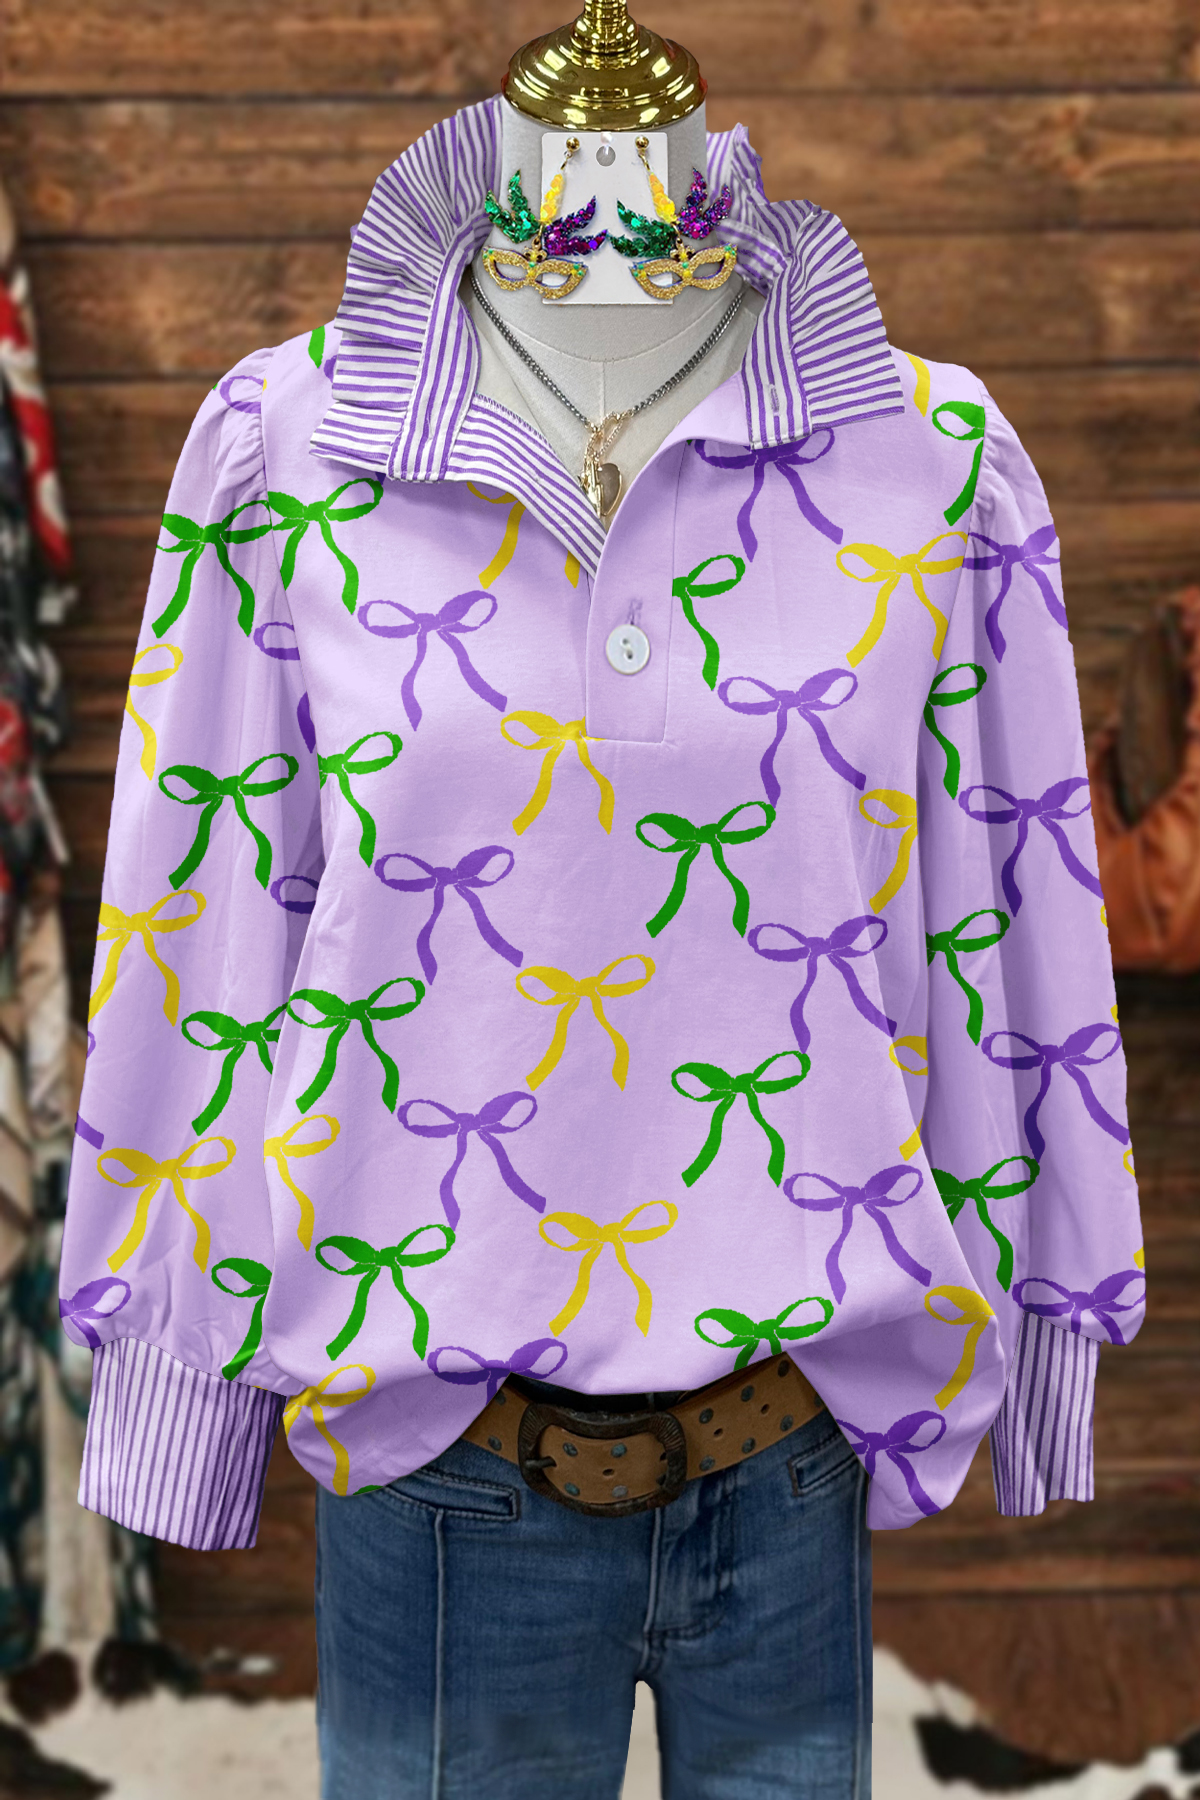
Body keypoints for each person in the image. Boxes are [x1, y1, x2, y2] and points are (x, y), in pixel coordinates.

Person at [60, 4, 1144, 1794]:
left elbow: (1003, 912)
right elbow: (205, 927)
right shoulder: (289, 447)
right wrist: (182, 1398)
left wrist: (1038, 1335)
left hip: (793, 1448)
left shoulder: (931, 458)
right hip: (441, 1471)